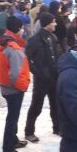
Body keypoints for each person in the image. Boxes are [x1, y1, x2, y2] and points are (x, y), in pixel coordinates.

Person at [0, 16, 31, 152]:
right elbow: (15, 75)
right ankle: (8, 149)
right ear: (17, 30)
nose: (23, 30)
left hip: (6, 84)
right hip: (13, 88)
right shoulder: (13, 47)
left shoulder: (5, 41)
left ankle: (13, 140)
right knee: (12, 118)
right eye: (22, 28)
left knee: (13, 116)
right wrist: (23, 86)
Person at [23, 12, 61, 142]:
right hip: (41, 80)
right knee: (36, 106)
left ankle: (57, 127)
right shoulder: (34, 40)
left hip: (54, 77)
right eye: (53, 21)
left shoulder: (54, 37)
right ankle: (29, 131)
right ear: (46, 24)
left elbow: (58, 55)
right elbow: (26, 59)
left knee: (55, 104)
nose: (55, 24)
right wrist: (38, 72)